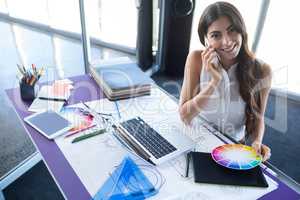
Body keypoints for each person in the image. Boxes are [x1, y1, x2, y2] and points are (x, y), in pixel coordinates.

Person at [179, 1, 271, 161]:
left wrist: (257, 141)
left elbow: (258, 118)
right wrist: (213, 82)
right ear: (206, 40)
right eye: (216, 35)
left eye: (232, 30)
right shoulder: (195, 59)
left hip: (233, 147)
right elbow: (185, 116)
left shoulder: (262, 71)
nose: (227, 41)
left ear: (242, 31)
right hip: (196, 141)